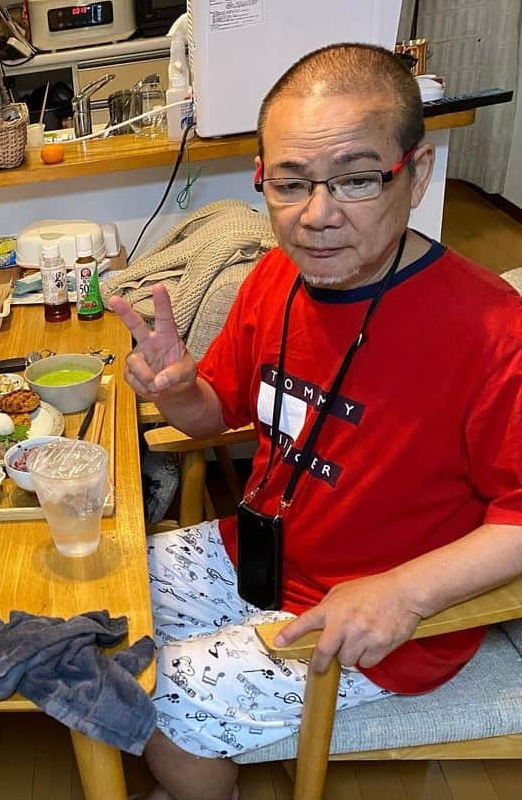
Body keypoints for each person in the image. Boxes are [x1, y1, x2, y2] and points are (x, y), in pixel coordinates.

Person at [111, 43, 521, 800]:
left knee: (162, 701)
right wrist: (176, 389)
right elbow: (218, 414)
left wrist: (403, 591)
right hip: (269, 549)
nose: (317, 216)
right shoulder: (277, 275)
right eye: (290, 183)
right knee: (107, 603)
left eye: (357, 179)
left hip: (381, 621)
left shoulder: (494, 332)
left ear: (417, 173)